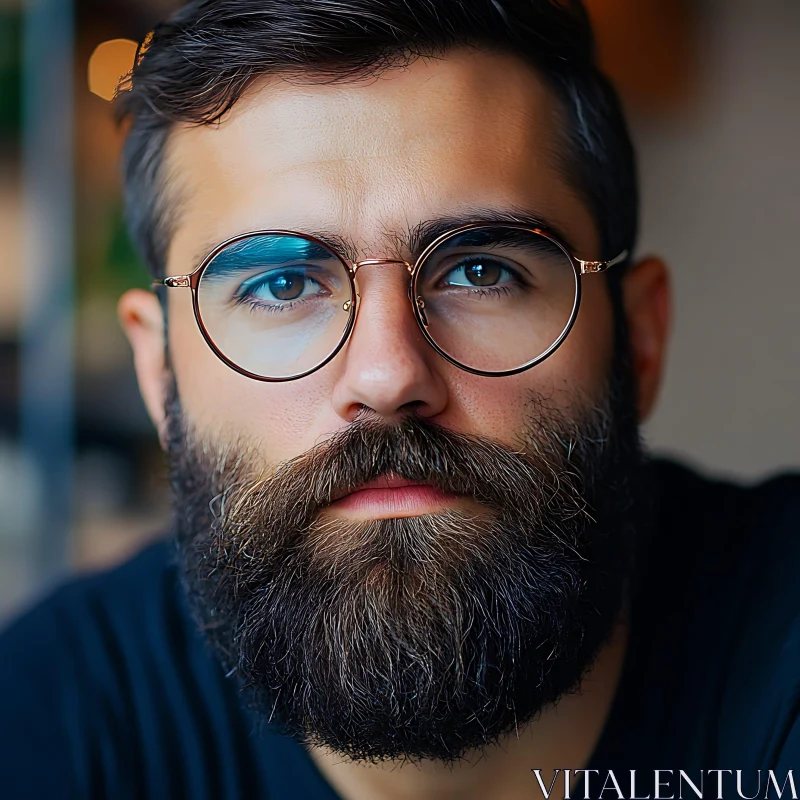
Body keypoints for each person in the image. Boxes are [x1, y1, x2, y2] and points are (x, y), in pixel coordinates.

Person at [1, 1, 798, 798]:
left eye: (481, 271)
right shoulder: (43, 720)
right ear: (159, 372)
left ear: (639, 340)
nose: (386, 377)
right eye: (281, 285)